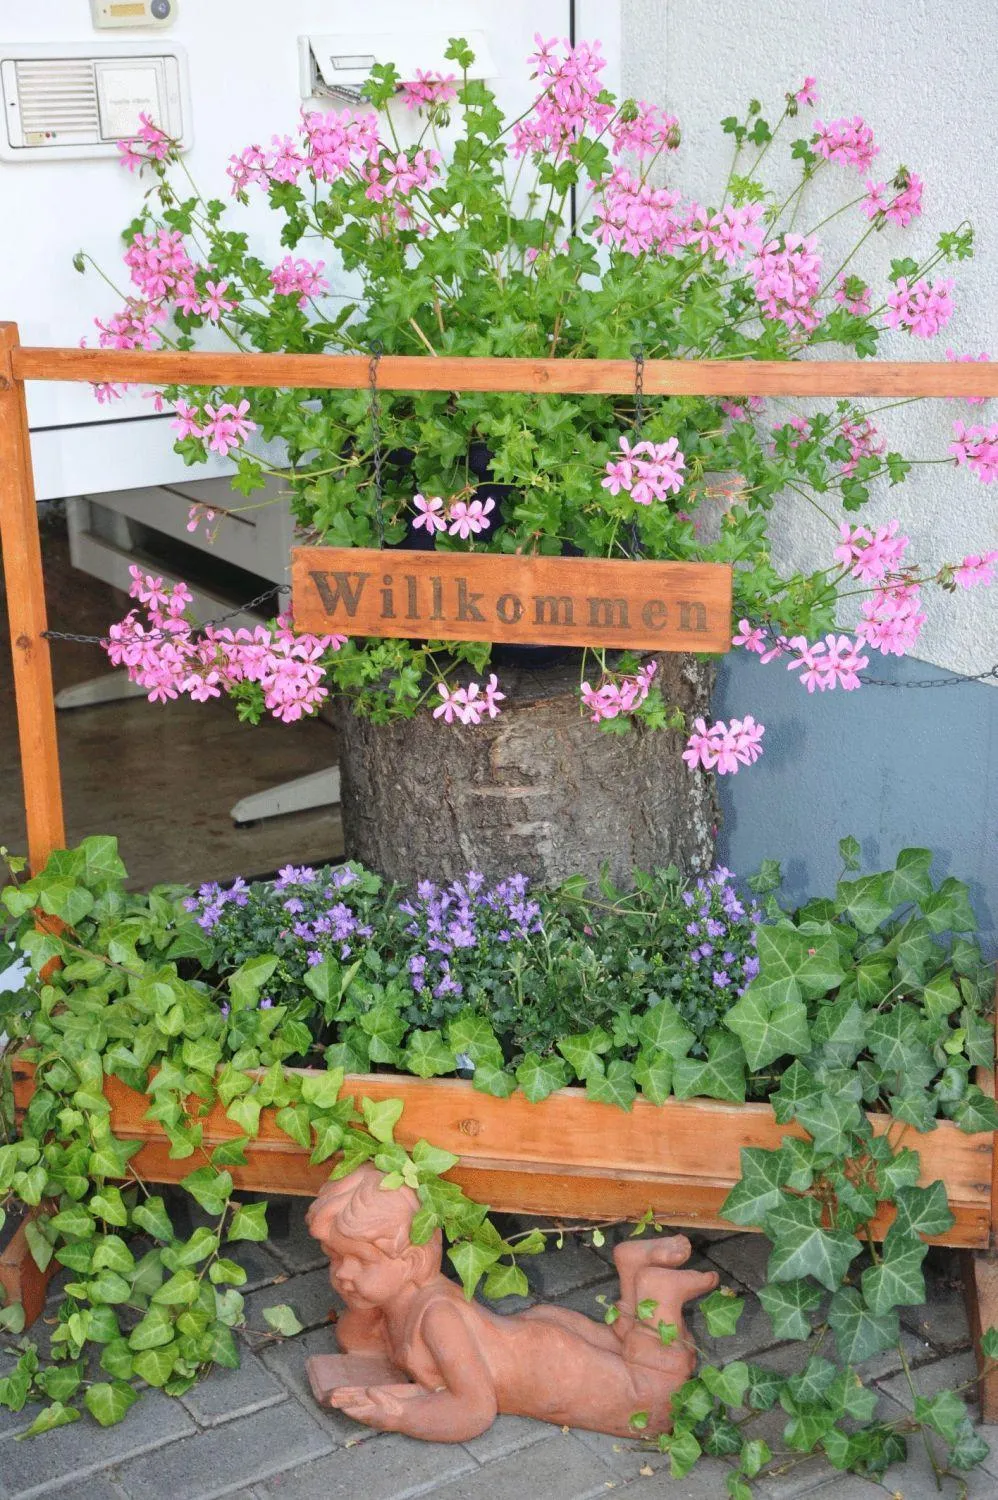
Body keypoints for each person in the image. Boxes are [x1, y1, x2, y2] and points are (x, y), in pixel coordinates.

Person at [305, 1163, 719, 1442]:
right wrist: (361, 1299)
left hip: (559, 1371)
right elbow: (362, 1345)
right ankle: (633, 1273)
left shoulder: (437, 1318)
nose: (342, 1274)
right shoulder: (399, 1306)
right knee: (623, 1346)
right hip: (542, 1345)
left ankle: (658, 1293)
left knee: (657, 1402)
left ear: (411, 1260)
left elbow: (473, 1411)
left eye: (360, 1261)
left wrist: (398, 1417)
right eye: (335, 1259)